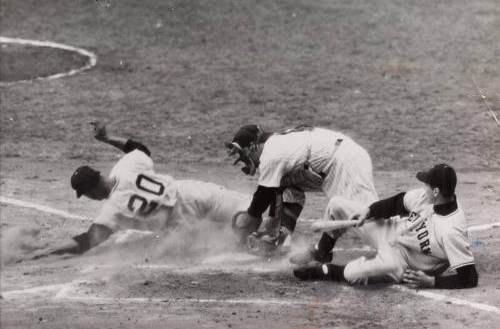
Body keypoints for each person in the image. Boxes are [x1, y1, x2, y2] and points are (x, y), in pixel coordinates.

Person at [35, 122, 250, 258]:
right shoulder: (125, 167)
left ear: (91, 192)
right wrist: (107, 138)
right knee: (250, 209)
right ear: (99, 174)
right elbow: (140, 149)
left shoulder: (113, 210)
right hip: (191, 194)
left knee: (218, 245)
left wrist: (46, 251)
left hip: (180, 229)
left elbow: (86, 242)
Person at [293, 164, 479, 289]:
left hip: (401, 262)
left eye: (427, 185)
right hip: (390, 231)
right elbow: (397, 203)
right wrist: (369, 212)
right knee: (337, 204)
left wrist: (432, 281)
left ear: (436, 191)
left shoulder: (451, 231)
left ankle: (326, 271)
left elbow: (469, 277)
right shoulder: (427, 198)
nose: (424, 188)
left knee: (354, 273)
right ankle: (322, 251)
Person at [225, 124, 378, 256]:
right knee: (285, 186)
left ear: (253, 147)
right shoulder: (277, 144)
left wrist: (249, 218)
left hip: (344, 161)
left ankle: (399, 242)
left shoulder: (271, 155)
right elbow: (273, 191)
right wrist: (269, 229)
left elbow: (263, 195)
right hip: (333, 161)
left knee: (368, 219)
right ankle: (282, 240)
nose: (245, 161)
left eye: (244, 156)